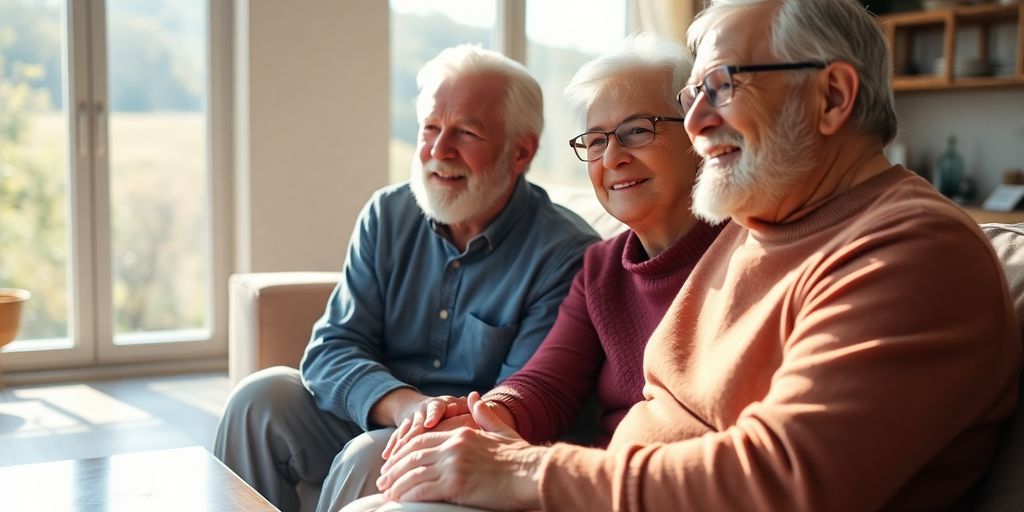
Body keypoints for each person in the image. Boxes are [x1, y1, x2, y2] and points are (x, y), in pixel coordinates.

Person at [348, 1, 1022, 511]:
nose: (697, 122)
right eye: (692, 95)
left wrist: (521, 470)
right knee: (383, 482)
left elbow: (785, 478)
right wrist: (489, 419)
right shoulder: (754, 231)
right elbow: (565, 388)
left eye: (722, 85)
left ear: (833, 96)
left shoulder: (911, 252)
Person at [315, 34, 725, 511]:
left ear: (701, 133)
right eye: (596, 140)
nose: (613, 157)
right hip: (583, 481)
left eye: (637, 130)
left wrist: (518, 460)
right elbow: (544, 386)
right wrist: (470, 422)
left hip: (620, 488)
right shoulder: (601, 268)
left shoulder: (745, 257)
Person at [212, 44, 600, 512]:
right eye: (430, 128)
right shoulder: (388, 214)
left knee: (372, 454)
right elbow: (331, 347)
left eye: (466, 133)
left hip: (467, 444)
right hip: (384, 407)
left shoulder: (564, 255)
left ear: (521, 152)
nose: (439, 150)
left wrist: (419, 423)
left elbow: (516, 407)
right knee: (260, 397)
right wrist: (404, 406)